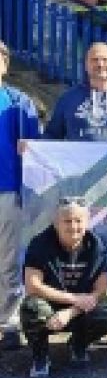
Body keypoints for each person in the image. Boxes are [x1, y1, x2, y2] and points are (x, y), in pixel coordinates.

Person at [21, 199, 107, 378]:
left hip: (79, 309)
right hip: (49, 304)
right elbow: (33, 285)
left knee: (106, 315)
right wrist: (73, 298)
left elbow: (101, 289)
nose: (73, 226)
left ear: (87, 223)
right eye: (67, 221)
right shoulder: (40, 243)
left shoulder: (97, 246)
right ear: (56, 223)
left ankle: (78, 344)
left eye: (78, 220)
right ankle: (40, 355)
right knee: (32, 308)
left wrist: (71, 311)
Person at [0, 41, 41, 352]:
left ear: (5, 63)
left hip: (7, 188)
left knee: (8, 259)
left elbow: (36, 150)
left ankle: (8, 322)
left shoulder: (19, 102)